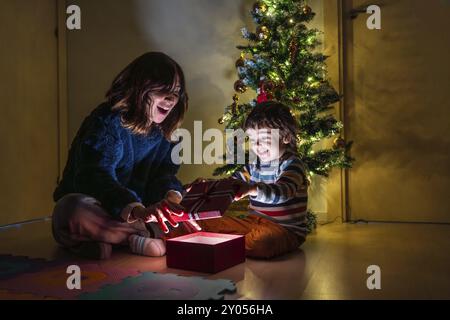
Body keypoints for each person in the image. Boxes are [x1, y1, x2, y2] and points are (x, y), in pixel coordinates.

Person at [52, 52, 199, 260]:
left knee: (184, 216)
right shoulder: (107, 121)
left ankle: (107, 240)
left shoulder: (170, 134)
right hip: (98, 208)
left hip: (138, 215)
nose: (172, 98)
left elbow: (164, 176)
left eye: (176, 92)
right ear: (140, 88)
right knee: (69, 210)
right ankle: (140, 236)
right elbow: (94, 177)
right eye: (163, 90)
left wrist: (171, 197)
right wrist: (137, 211)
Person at [199, 101, 308, 259]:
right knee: (205, 223)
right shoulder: (253, 165)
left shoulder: (292, 164)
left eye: (264, 137)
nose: (256, 145)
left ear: (286, 137)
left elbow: (283, 192)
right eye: (252, 138)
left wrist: (252, 189)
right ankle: (175, 239)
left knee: (260, 243)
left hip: (285, 230)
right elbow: (232, 183)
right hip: (252, 222)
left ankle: (223, 244)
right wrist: (208, 185)